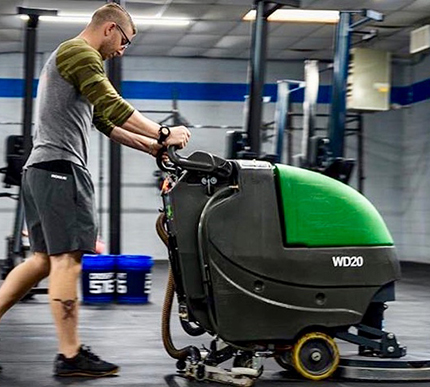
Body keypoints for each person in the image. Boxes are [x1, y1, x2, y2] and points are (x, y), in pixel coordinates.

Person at [0, 3, 190, 378]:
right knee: (67, 260)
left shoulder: (74, 60)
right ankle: (70, 356)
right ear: (109, 29)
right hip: (60, 169)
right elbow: (112, 104)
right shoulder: (79, 53)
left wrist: (151, 146)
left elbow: (104, 121)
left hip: (41, 170)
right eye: (125, 40)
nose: (123, 49)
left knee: (40, 262)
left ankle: (69, 352)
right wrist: (164, 132)